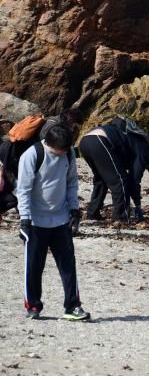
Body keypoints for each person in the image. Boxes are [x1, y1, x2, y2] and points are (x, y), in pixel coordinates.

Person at [16, 124, 90, 321]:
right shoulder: (32, 155)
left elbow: (72, 182)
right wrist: (24, 219)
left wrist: (74, 209)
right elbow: (23, 190)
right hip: (35, 221)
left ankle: (72, 306)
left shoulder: (68, 154)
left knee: (68, 266)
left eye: (67, 150)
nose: (64, 153)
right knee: (34, 267)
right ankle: (33, 306)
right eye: (61, 150)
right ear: (50, 144)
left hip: (61, 219)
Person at [78, 116, 149, 223]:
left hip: (85, 141)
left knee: (101, 180)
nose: (145, 167)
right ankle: (120, 217)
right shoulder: (144, 149)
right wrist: (138, 205)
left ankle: (93, 213)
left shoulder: (134, 144)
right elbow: (133, 180)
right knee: (120, 180)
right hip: (100, 140)